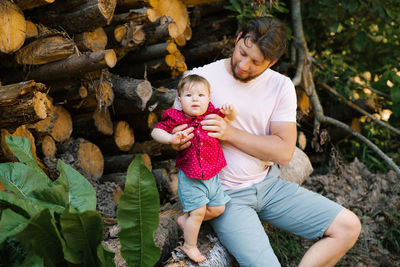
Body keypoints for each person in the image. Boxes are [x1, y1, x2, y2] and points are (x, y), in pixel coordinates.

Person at [170, 17, 361, 266]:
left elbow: (283, 152)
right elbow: (174, 136)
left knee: (348, 227)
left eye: (256, 62)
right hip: (227, 197)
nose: (243, 65)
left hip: (270, 187)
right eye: (242, 53)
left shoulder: (280, 86)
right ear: (238, 39)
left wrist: (229, 134)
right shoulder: (199, 80)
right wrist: (178, 141)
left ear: (272, 62)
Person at [151, 74, 236, 263]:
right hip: (191, 177)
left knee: (218, 208)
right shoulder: (177, 118)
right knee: (198, 212)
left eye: (201, 95)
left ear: (209, 99)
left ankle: (186, 220)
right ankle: (189, 245)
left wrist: (230, 114)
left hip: (212, 176)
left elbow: (229, 119)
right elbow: (156, 131)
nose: (195, 99)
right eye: (189, 96)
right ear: (180, 101)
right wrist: (171, 139)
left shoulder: (212, 115)